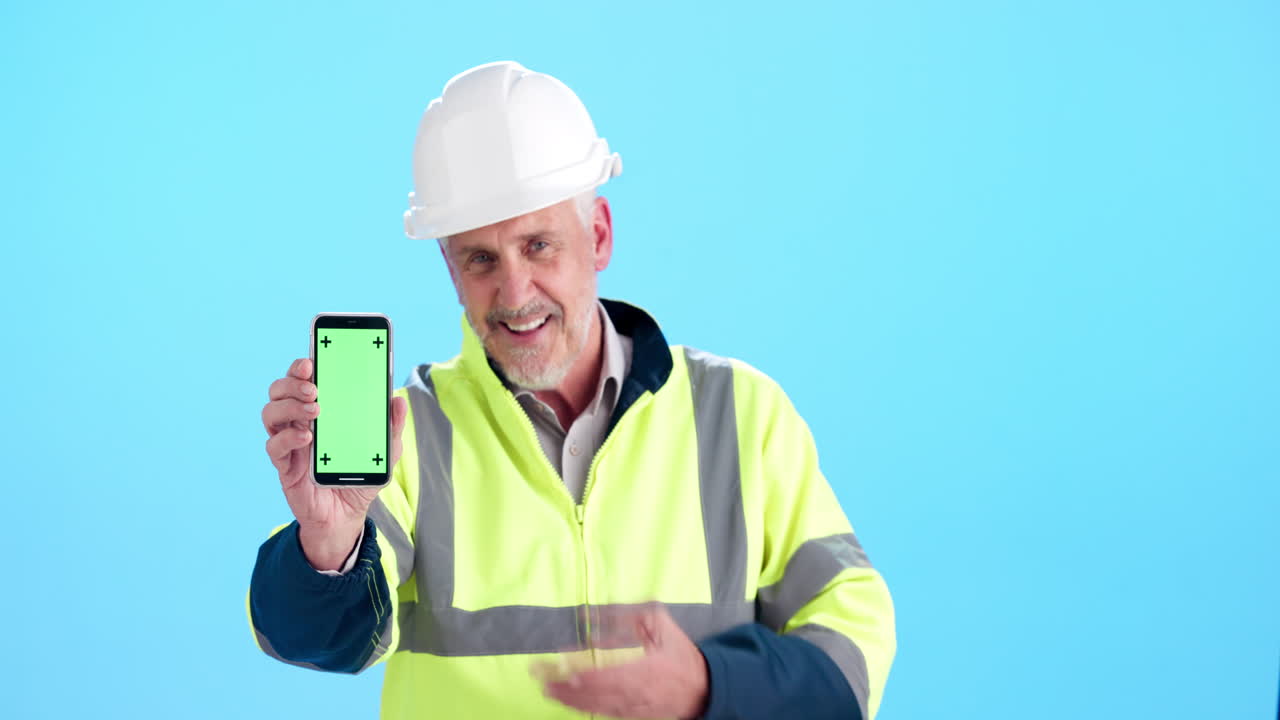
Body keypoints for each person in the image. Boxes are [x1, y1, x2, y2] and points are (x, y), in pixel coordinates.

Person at [249, 61, 895, 720]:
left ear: (599, 236)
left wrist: (711, 686)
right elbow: (316, 641)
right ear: (450, 270)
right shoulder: (410, 436)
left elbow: (853, 640)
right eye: (481, 259)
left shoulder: (741, 416)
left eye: (539, 246)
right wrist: (328, 542)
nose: (515, 294)